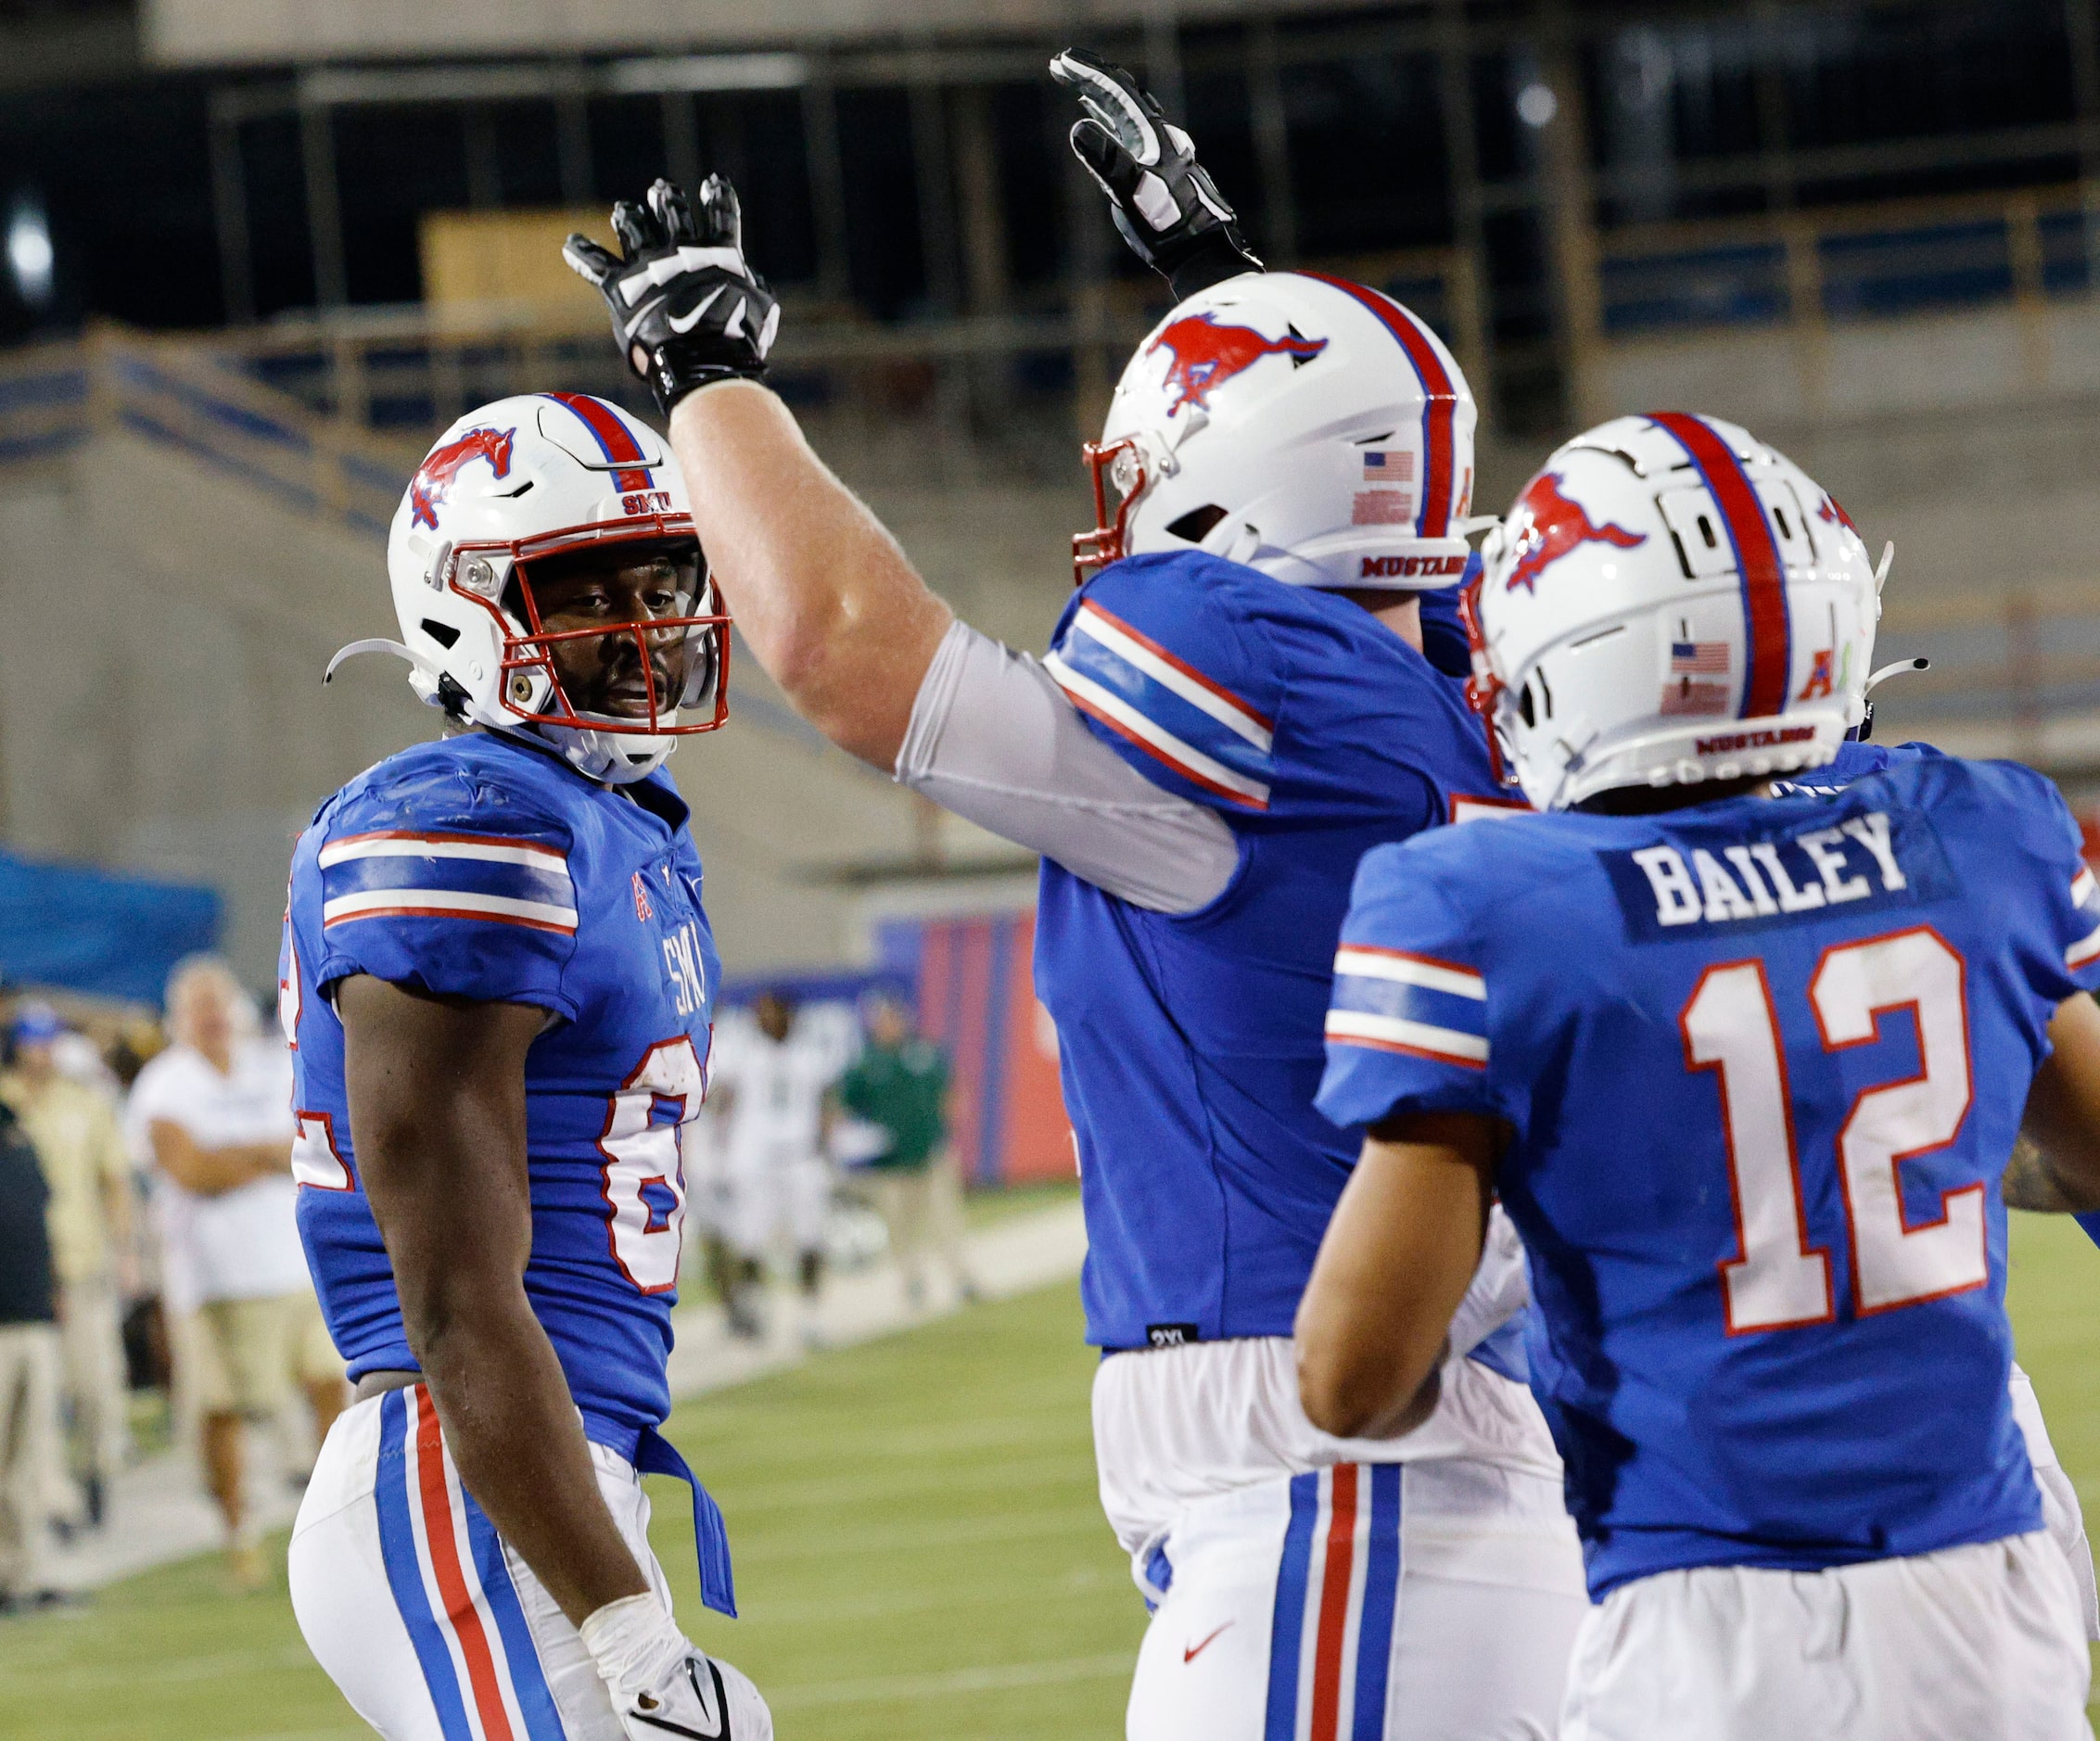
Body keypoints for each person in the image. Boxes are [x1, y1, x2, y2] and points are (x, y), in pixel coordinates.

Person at [565, 52, 1585, 1738]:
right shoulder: (1458, 671)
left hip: (1336, 1459)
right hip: (1420, 1424)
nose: (1121, 521)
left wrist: (704, 376)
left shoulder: (1248, 670)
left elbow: (837, 645)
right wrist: (1229, 301)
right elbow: (1362, 489)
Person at [1299, 412, 2100, 1737]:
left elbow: (1350, 1377)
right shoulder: (1975, 832)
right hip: (1993, 1587)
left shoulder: (1491, 906)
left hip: (1711, 1611)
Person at [283, 392, 769, 1739]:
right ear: (466, 605)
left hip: (537, 1471)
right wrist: (624, 1624)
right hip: (462, 1476)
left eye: (660, 580)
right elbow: (449, 1298)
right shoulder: (464, 820)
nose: (640, 627)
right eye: (583, 590)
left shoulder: (614, 826)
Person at [128, 956, 343, 1590]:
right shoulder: (164, 1085)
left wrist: (240, 1157)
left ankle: (334, 1523)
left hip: (299, 1265)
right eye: (199, 1007)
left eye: (218, 1003)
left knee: (332, 1387)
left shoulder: (275, 1062)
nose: (213, 1018)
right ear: (178, 1019)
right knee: (226, 1410)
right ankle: (238, 1533)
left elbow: (315, 1145)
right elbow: (193, 1171)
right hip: (218, 1278)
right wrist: (266, 1155)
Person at [2, 1002, 133, 1529]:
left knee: (97, 1387)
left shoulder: (85, 1103)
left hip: (81, 1267)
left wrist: (125, 1251)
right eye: (32, 1041)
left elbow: (115, 1181)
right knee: (37, 1401)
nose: (41, 1052)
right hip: (24, 1275)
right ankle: (53, 1499)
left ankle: (95, 1470)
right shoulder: (7, 1104)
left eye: (48, 1040)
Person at [708, 991, 834, 1342]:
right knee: (749, 1239)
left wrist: (828, 1146)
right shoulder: (745, 1051)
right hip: (756, 1158)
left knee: (809, 1238)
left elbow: (826, 1102)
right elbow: (725, 1100)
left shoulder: (810, 1052)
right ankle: (755, 1311)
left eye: (769, 1012)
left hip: (800, 1156)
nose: (763, 1018)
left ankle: (810, 1313)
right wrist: (722, 1149)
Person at [837, 990, 975, 1311]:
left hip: (930, 1151)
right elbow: (846, 1106)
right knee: (901, 1227)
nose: (888, 1026)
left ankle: (961, 1277)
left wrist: (949, 1125)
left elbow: (951, 1090)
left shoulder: (924, 1052)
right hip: (890, 1162)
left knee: (946, 1219)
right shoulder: (865, 1064)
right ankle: (911, 1281)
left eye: (891, 1018)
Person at [0, 1096, 64, 1612]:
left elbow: (40, 1219)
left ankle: (23, 1575)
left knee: (28, 1461)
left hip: (33, 1317)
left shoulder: (17, 1133)